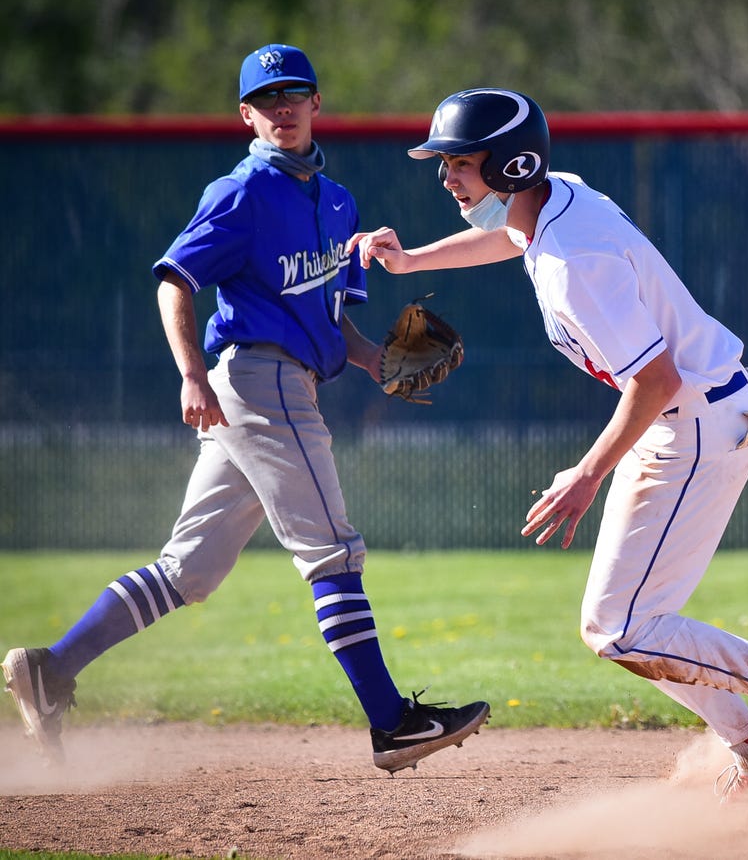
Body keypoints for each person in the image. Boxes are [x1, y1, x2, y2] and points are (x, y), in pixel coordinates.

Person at [350, 87, 748, 804]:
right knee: (637, 624)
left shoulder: (574, 265)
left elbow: (655, 381)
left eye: (458, 163)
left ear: (507, 165)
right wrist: (411, 264)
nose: (445, 177)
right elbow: (509, 235)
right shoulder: (554, 197)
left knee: (623, 627)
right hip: (694, 418)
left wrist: (589, 473)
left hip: (693, 425)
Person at [2, 44, 489, 774]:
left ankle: (53, 667)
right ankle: (392, 723)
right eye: (266, 100)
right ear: (246, 116)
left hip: (282, 382)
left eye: (294, 93)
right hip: (261, 380)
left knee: (188, 570)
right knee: (331, 548)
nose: (282, 108)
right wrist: (190, 373)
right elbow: (175, 280)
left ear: (317, 103)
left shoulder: (337, 202)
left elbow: (334, 327)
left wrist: (379, 363)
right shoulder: (239, 193)